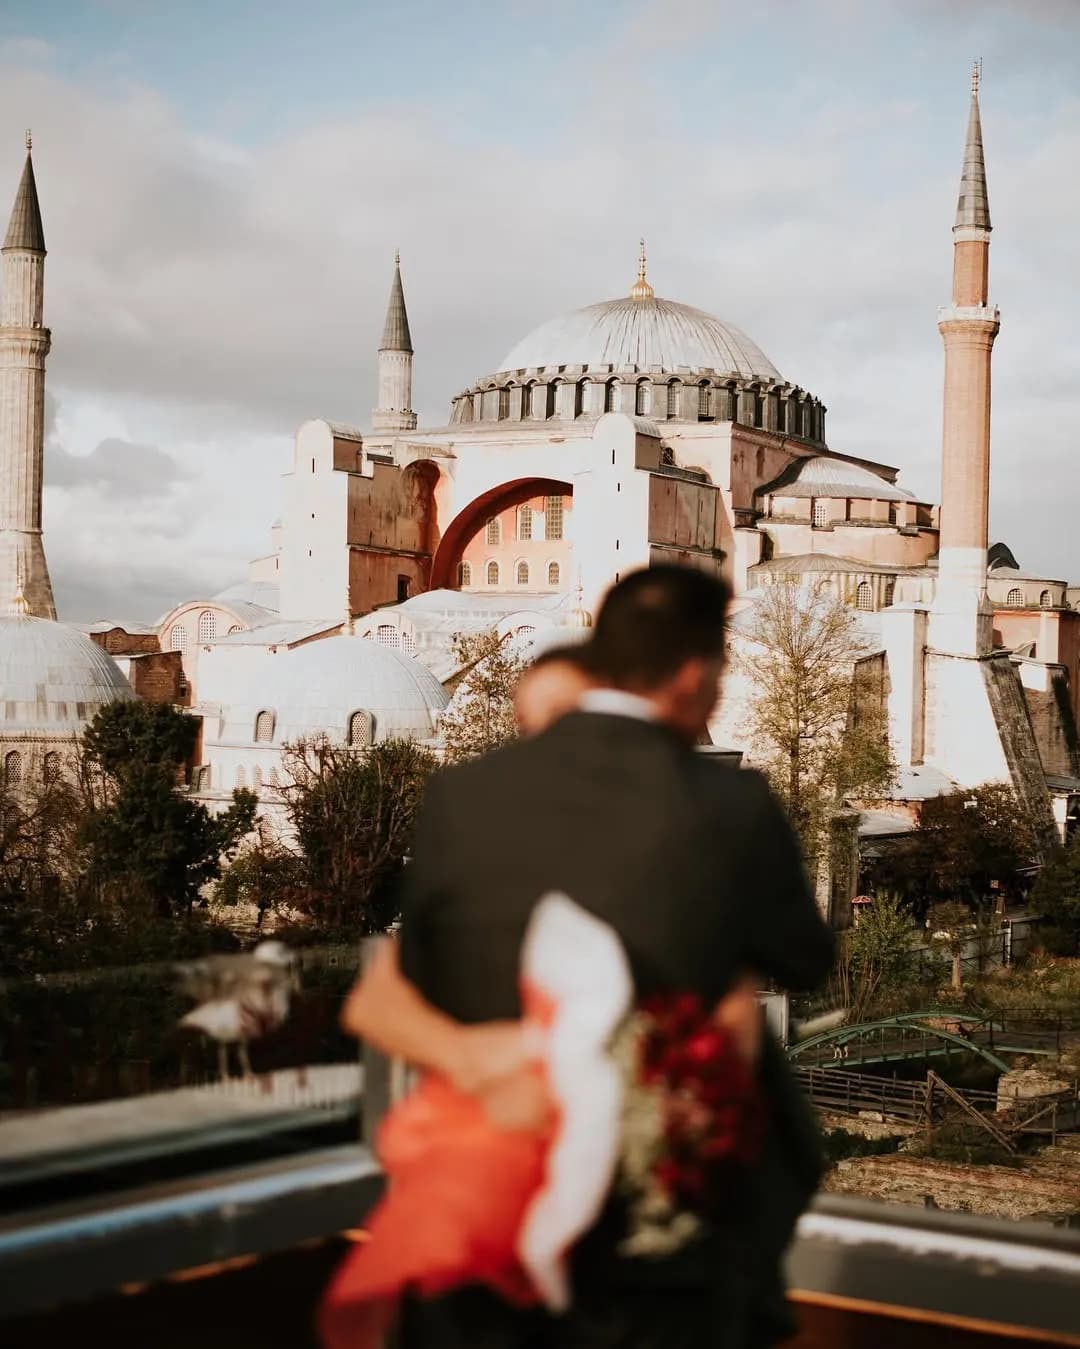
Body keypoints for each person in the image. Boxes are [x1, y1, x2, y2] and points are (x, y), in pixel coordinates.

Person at [344, 566, 833, 1346]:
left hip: (482, 1202)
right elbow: (806, 958)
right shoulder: (728, 804)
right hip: (656, 1222)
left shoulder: (462, 794)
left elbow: (419, 971)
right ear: (693, 672)